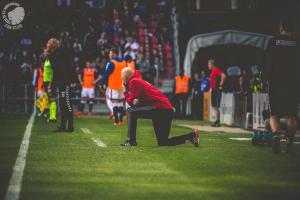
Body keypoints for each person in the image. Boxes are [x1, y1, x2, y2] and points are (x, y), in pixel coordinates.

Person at [120, 67, 199, 147]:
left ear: (127, 75)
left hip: (159, 108)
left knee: (131, 111)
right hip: (165, 110)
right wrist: (134, 100)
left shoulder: (134, 82)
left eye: (122, 75)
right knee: (163, 142)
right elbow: (135, 101)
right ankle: (191, 136)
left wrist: (125, 92)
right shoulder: (137, 80)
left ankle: (131, 142)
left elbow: (131, 103)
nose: (121, 77)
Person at [262, 18, 298, 154]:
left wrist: (264, 80)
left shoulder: (273, 42)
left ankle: (276, 137)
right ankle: (290, 142)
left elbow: (266, 63)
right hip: (293, 84)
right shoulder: (297, 42)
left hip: (276, 83)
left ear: (281, 27)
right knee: (291, 115)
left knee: (274, 114)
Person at [44, 38, 77, 132]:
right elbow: (57, 70)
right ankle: (63, 126)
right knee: (63, 104)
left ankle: (70, 127)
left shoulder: (58, 54)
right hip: (62, 82)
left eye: (48, 43)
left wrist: (72, 81)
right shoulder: (53, 55)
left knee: (67, 103)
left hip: (65, 82)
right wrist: (53, 84)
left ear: (52, 44)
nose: (47, 44)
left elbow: (68, 67)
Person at [100, 48, 126, 125]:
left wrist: (102, 83)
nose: (109, 55)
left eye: (110, 53)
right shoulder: (124, 62)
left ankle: (116, 121)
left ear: (114, 54)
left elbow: (106, 74)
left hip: (113, 85)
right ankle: (121, 120)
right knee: (120, 102)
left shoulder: (111, 63)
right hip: (122, 85)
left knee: (114, 103)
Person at [208, 59, 226, 127]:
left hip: (216, 90)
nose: (208, 66)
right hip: (213, 90)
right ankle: (217, 121)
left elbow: (223, 75)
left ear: (212, 65)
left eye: (209, 64)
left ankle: (218, 122)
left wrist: (221, 84)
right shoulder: (213, 71)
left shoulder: (216, 70)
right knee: (214, 106)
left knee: (216, 106)